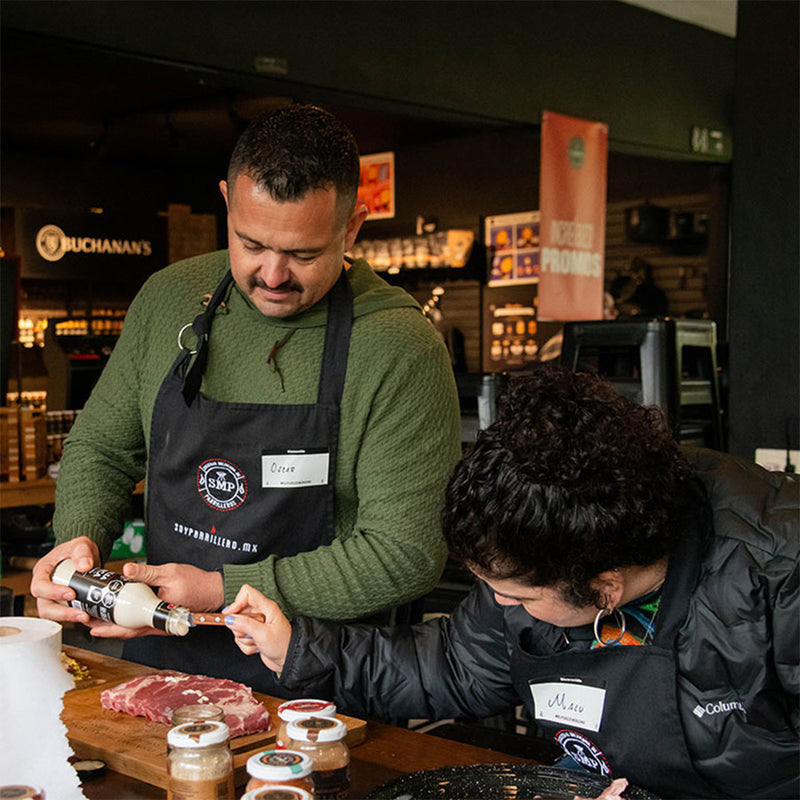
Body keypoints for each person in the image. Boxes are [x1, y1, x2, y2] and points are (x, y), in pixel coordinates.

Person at [31, 104, 462, 694]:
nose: (273, 274)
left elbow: (405, 551)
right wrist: (78, 542)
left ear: (352, 227)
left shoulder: (396, 345)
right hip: (159, 661)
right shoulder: (170, 298)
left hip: (316, 678)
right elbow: (102, 446)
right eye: (251, 243)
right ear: (226, 203)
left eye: (304, 254)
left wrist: (221, 588)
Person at [223, 365, 799, 798]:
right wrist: (299, 646)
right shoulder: (536, 545)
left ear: (604, 590)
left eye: (517, 596)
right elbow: (452, 666)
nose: (499, 604)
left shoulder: (780, 576)